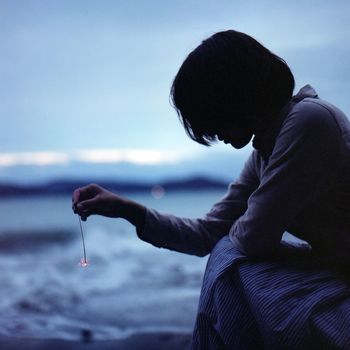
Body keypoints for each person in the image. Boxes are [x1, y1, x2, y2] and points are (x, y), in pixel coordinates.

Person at [72, 30, 350, 349]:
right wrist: (129, 211)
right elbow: (208, 233)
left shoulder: (309, 121)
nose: (215, 133)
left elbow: (254, 238)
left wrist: (234, 236)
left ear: (236, 97)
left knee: (230, 255)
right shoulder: (264, 152)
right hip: (339, 271)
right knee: (227, 251)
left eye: (214, 119)